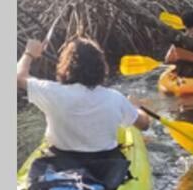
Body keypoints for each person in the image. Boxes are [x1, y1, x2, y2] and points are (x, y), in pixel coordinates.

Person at [17, 37, 150, 165]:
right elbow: (144, 125)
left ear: (66, 67)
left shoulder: (51, 92)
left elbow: (18, 78)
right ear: (101, 67)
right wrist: (136, 107)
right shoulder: (115, 98)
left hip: (60, 162)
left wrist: (29, 54)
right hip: (104, 166)